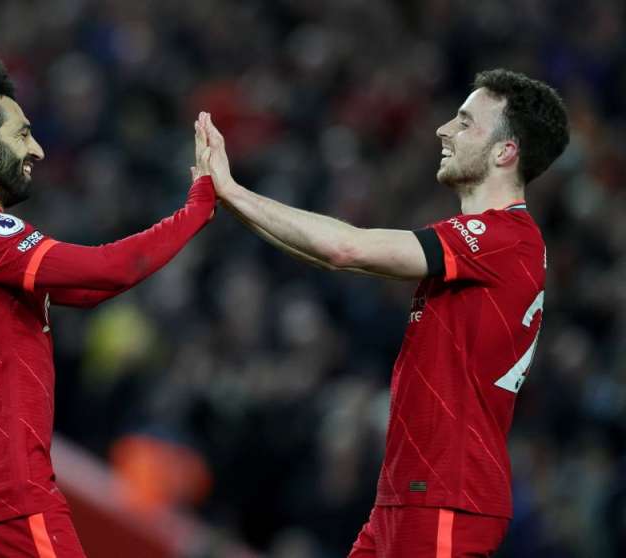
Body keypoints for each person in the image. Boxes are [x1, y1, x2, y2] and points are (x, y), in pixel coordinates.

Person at [197, 69, 569, 557]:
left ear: (505, 152)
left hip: (448, 496)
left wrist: (232, 189)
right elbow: (330, 257)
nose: (443, 130)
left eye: (464, 122)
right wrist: (229, 200)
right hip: (407, 495)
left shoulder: (504, 239)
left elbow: (346, 249)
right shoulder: (486, 243)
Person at [0, 60, 215, 557]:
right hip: (1, 495)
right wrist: (197, 208)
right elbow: (105, 271)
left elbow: (82, 292)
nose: (37, 150)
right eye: (22, 134)